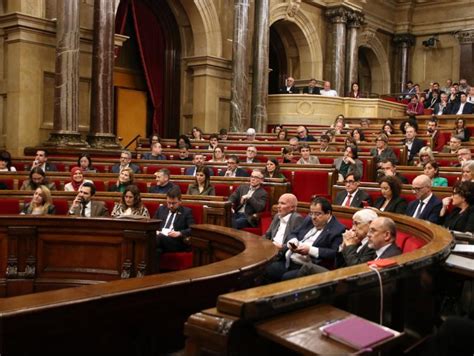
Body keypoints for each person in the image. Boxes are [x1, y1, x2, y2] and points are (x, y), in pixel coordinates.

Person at [263, 197, 345, 283]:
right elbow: (293, 233)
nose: (313, 217)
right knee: (265, 269)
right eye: (311, 213)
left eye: (317, 214)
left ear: (328, 213)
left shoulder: (338, 229)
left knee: (286, 278)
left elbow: (334, 253)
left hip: (308, 267)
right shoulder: (309, 220)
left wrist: (310, 250)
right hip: (289, 260)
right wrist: (293, 242)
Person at [154, 186, 195, 253]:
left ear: (180, 201)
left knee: (159, 238)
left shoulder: (186, 212)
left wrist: (179, 233)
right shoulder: (161, 209)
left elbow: (192, 229)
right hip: (160, 239)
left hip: (176, 242)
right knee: (157, 251)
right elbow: (153, 224)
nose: (171, 206)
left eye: (173, 203)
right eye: (169, 203)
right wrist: (155, 231)